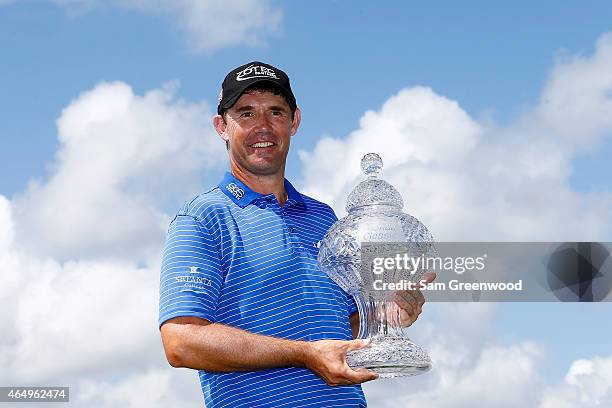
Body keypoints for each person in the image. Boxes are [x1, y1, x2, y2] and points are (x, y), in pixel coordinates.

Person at [158, 61, 434, 407]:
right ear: (221, 127)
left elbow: (342, 330)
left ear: (295, 122)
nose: (263, 126)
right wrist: (304, 354)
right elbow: (181, 341)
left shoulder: (326, 219)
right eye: (245, 114)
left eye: (276, 112)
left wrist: (384, 316)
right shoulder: (201, 218)